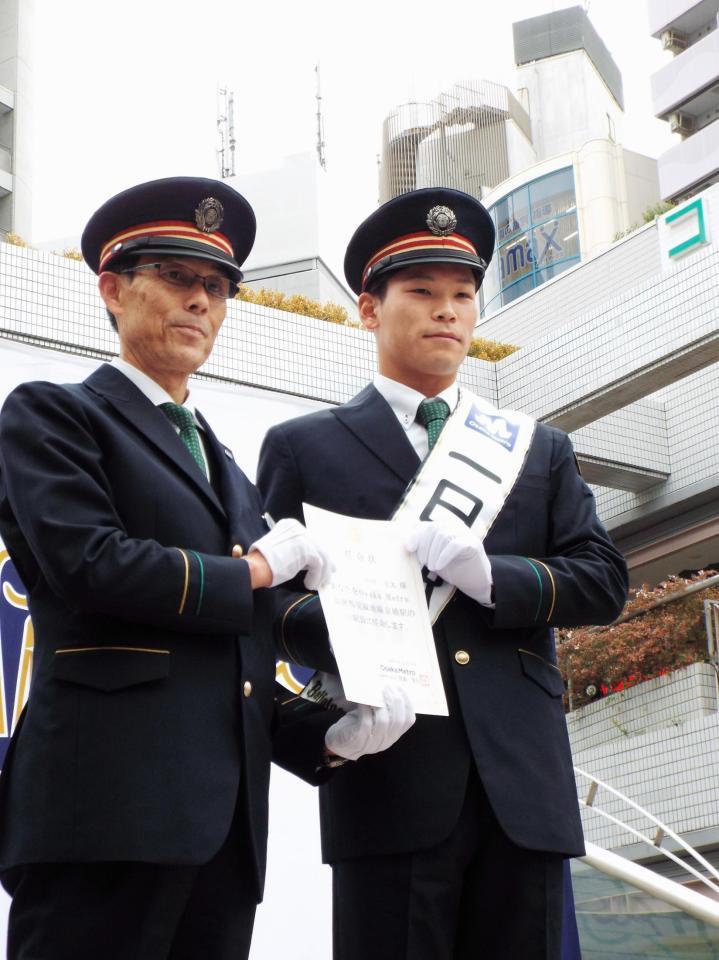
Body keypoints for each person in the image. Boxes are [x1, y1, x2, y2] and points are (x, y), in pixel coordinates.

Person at [0, 176, 414, 960]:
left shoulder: (227, 465)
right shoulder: (53, 415)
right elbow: (90, 564)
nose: (200, 302)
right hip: (103, 816)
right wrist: (256, 570)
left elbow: (239, 654)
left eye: (216, 287)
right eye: (177, 278)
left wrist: (324, 736)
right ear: (113, 290)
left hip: (223, 833)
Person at [257, 187, 629, 960]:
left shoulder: (534, 448)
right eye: (421, 293)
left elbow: (602, 582)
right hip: (387, 775)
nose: (446, 312)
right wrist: (349, 643)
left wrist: (491, 575)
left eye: (462, 295)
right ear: (368, 308)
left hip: (520, 785)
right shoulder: (304, 445)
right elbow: (268, 608)